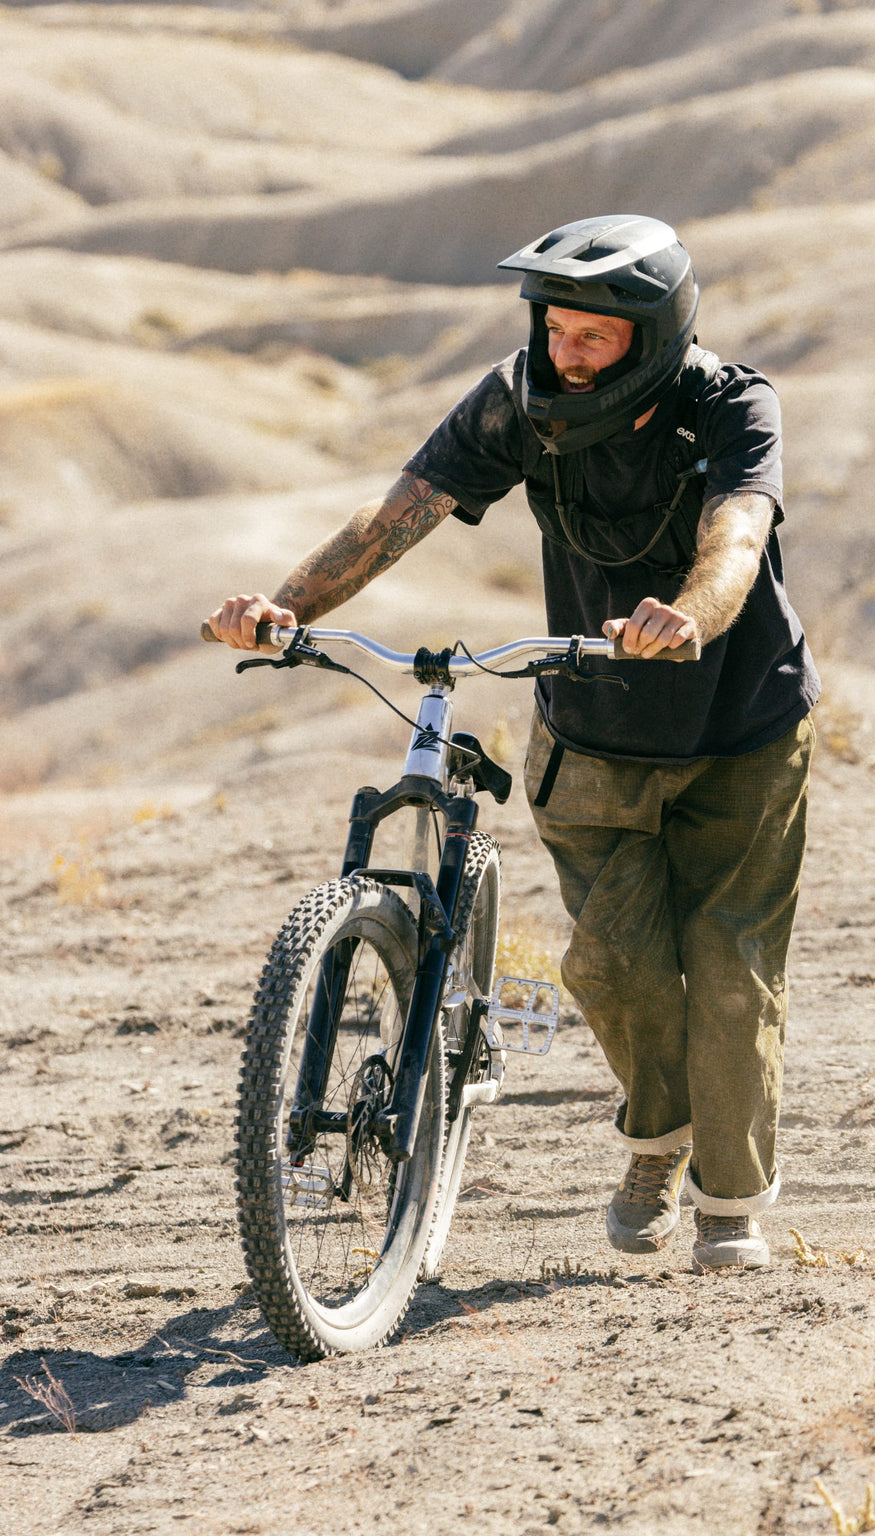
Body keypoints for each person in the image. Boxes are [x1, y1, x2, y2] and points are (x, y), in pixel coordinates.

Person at [209, 214, 819, 1273]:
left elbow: (738, 535)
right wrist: (283, 607)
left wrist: (688, 614)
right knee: (611, 966)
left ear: (655, 334)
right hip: (593, 730)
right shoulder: (517, 403)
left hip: (742, 729)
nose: (568, 356)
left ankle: (728, 1206)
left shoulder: (728, 404)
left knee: (727, 971)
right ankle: (656, 1136)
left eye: (595, 339)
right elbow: (398, 513)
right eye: (556, 331)